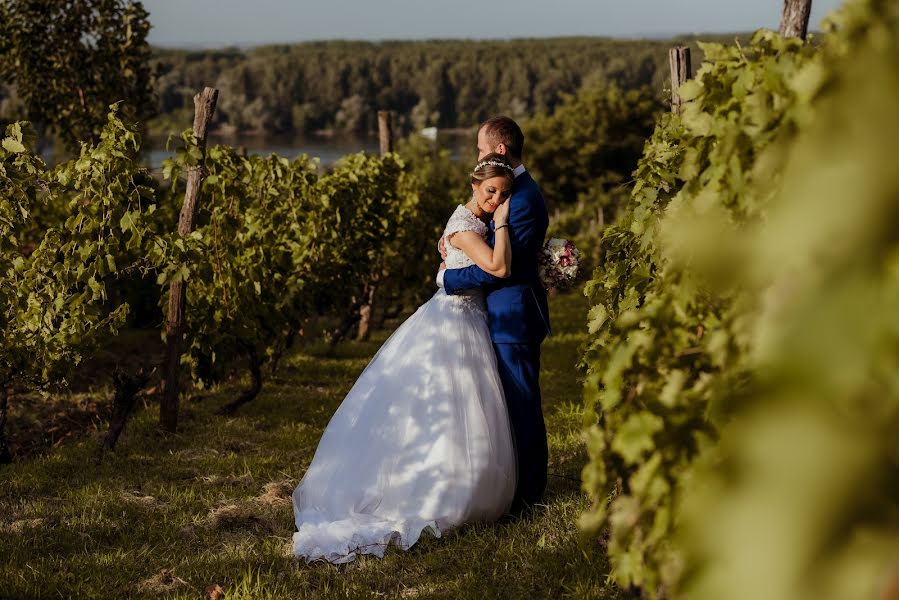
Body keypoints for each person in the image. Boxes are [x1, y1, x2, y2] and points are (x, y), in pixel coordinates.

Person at [292, 154, 519, 563]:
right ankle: (435, 492)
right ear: (473, 185)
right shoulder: (467, 229)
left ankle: (469, 485)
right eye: (490, 192)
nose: (496, 199)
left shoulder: (470, 223)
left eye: (503, 193)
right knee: (446, 404)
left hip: (468, 320)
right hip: (452, 323)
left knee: (465, 407)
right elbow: (499, 267)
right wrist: (502, 222)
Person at [438, 116, 550, 513]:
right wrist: (455, 240)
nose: (477, 155)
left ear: (499, 150)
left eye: (480, 147)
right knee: (501, 406)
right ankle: (509, 486)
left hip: (512, 317)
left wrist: (449, 278)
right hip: (496, 316)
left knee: (522, 405)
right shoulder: (509, 192)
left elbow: (506, 268)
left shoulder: (519, 198)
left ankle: (530, 497)